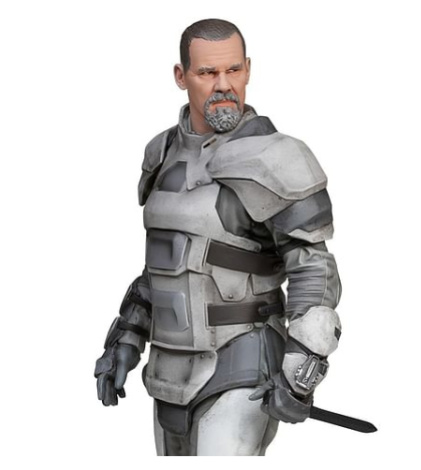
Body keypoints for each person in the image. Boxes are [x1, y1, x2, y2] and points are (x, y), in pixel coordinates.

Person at [95, 18, 342, 456]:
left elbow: (314, 269)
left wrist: (301, 370)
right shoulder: (161, 154)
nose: (223, 85)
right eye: (208, 73)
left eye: (233, 70)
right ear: (181, 76)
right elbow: (165, 263)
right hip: (168, 371)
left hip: (242, 363)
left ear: (248, 69)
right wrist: (128, 335)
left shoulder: (279, 157)